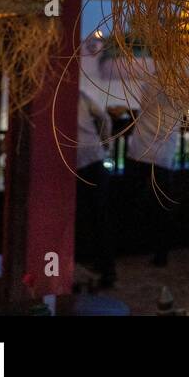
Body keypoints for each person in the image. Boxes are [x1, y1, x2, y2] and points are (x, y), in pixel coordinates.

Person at [125, 81, 184, 267]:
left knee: (133, 200)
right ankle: (160, 254)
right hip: (162, 156)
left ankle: (131, 245)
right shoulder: (182, 88)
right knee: (162, 207)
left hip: (139, 151)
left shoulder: (149, 84)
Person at [74, 90, 116, 288]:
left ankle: (79, 270)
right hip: (95, 158)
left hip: (75, 164)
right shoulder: (80, 94)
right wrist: (105, 144)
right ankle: (107, 270)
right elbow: (104, 118)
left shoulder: (52, 100)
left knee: (81, 218)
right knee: (101, 217)